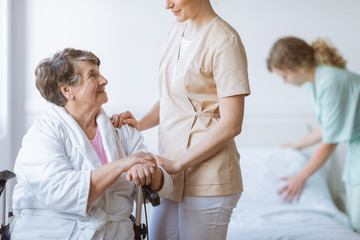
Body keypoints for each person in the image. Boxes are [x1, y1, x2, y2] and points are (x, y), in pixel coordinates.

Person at [111, 0, 250, 239]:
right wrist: (141, 123)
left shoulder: (225, 41)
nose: (167, 5)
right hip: (171, 173)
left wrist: (178, 164)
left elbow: (232, 123)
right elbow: (173, 97)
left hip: (209, 175)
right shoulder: (175, 30)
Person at [10, 48, 173, 240]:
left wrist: (150, 173)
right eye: (92, 75)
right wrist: (124, 163)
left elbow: (164, 185)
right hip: (55, 233)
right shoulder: (42, 135)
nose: (104, 80)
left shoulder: (122, 130)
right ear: (67, 90)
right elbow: (63, 192)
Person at [267, 36, 360, 232]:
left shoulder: (330, 81)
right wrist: (297, 145)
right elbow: (326, 127)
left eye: (284, 75)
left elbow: (330, 141)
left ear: (297, 65)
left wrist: (301, 176)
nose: (284, 82)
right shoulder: (315, 83)